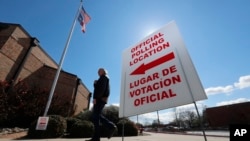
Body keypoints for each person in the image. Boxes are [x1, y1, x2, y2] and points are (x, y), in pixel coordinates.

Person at [86, 68, 117, 141]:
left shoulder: (104, 77)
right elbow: (99, 89)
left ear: (103, 72)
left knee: (96, 116)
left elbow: (101, 90)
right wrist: (96, 84)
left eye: (99, 71)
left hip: (100, 99)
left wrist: (96, 98)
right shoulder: (103, 78)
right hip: (100, 99)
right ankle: (97, 137)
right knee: (96, 117)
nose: (98, 72)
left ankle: (110, 126)